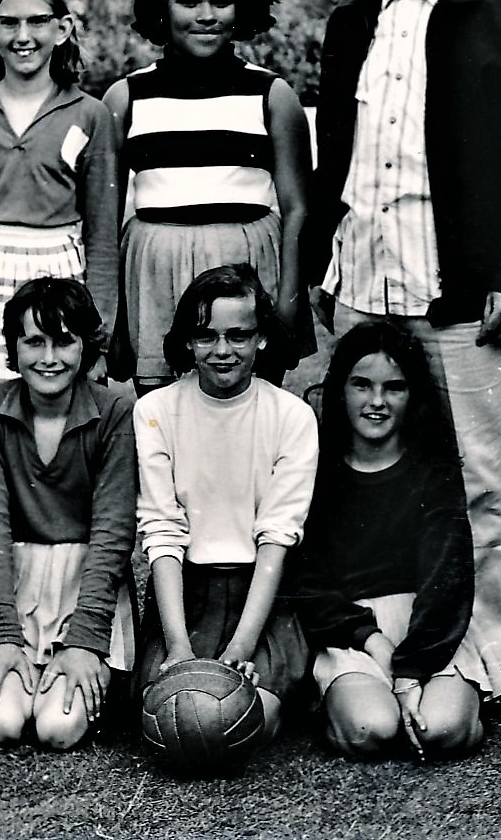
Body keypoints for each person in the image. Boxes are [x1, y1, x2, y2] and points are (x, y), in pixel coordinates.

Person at [300, 0, 501, 710]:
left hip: (456, 291)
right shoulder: (350, 22)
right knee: (362, 470)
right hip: (361, 287)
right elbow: (334, 160)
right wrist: (323, 268)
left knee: (478, 477)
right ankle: (367, 641)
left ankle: (497, 654)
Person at [103, 0, 313, 394]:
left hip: (248, 264)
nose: (206, 16)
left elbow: (298, 208)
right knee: (164, 410)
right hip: (156, 269)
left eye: (221, 1)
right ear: (162, 8)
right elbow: (105, 215)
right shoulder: (126, 97)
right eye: (188, 1)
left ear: (241, 8)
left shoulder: (272, 94)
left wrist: (290, 302)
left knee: (249, 407)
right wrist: (113, 315)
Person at [133, 264, 318, 744]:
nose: (221, 351)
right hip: (186, 596)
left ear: (262, 338)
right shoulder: (154, 411)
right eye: (206, 336)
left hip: (262, 595)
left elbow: (278, 536)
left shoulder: (292, 417)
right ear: (187, 341)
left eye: (238, 336)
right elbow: (162, 531)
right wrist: (178, 647)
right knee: (176, 719)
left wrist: (242, 646)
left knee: (241, 723)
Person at [287, 321, 485, 761]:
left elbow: (446, 583)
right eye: (362, 385)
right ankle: (349, 704)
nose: (376, 401)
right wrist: (371, 639)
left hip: (428, 628)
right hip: (352, 631)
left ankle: (450, 702)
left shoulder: (433, 471)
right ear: (340, 389)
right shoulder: (316, 469)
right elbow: (307, 581)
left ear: (413, 395)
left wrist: (410, 672)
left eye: (394, 388)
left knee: (442, 729)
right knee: (371, 728)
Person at [0, 277, 137, 749]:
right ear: (13, 347)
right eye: (34, 342)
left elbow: (113, 531)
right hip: (15, 581)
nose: (49, 357)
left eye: (64, 341)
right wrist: (2, 634)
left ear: (86, 346)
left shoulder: (114, 411)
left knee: (58, 728)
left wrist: (85, 640)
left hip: (85, 583)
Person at [0, 0, 120, 381]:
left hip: (60, 274)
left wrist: (99, 335)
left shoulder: (89, 115)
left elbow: (102, 236)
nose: (23, 36)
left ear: (63, 28)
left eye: (37, 21)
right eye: (9, 22)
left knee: (56, 397)